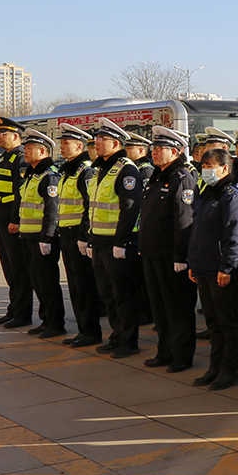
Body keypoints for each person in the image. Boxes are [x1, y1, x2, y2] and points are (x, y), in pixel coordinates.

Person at [138, 127, 198, 372]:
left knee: (177, 308)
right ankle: (165, 351)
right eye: (154, 148)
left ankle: (181, 356)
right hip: (152, 253)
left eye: (160, 148)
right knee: (160, 307)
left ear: (175, 151)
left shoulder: (181, 178)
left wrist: (181, 256)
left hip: (171, 256)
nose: (154, 152)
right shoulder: (156, 176)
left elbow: (184, 219)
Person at [189, 147, 238, 391]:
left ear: (224, 168)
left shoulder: (232, 196)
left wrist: (228, 267)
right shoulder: (206, 194)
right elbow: (197, 232)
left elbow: (234, 234)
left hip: (221, 269)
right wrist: (193, 263)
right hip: (204, 267)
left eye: (210, 166)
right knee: (213, 322)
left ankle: (229, 371)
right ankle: (214, 368)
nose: (206, 171)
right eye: (203, 166)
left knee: (228, 322)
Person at [87, 118, 145, 358]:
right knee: (107, 294)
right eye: (97, 139)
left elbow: (130, 208)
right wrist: (91, 238)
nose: (97, 143)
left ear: (116, 143)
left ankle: (128, 341)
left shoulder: (126, 169)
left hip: (116, 243)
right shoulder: (100, 169)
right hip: (100, 241)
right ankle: (116, 335)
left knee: (123, 294)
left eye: (103, 139)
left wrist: (121, 241)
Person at [53, 124, 102, 347]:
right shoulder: (68, 171)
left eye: (66, 144)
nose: (62, 148)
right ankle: (83, 330)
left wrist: (84, 236)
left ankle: (90, 332)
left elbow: (90, 206)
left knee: (84, 285)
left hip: (77, 236)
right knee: (74, 285)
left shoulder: (85, 171)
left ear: (79, 146)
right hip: (66, 234)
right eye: (62, 143)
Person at [16, 129, 66, 338]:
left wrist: (47, 237)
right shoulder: (32, 174)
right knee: (37, 281)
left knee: (47, 282)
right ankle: (46, 320)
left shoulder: (49, 176)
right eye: (25, 148)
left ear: (43, 151)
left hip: (42, 238)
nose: (25, 152)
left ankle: (55, 323)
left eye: (30, 148)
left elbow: (52, 210)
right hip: (28, 236)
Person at [0, 116, 33, 329]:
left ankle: (22, 313)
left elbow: (19, 193)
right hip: (1, 220)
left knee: (18, 269)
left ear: (16, 136)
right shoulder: (5, 158)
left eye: (3, 133)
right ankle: (13, 309)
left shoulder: (20, 158)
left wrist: (16, 220)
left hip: (11, 222)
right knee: (9, 268)